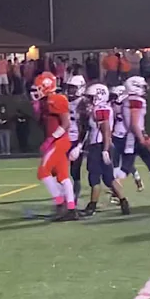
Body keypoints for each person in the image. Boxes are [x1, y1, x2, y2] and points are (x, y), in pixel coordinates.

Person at [74, 84, 130, 217]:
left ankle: (92, 206)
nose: (88, 100)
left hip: (99, 146)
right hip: (101, 145)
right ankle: (124, 202)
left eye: (91, 97)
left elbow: (105, 130)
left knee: (94, 177)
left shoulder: (100, 109)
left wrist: (105, 149)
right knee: (108, 178)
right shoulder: (101, 108)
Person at [31, 72, 78, 221]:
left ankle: (60, 203)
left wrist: (51, 139)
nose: (36, 91)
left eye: (39, 87)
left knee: (43, 172)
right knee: (63, 176)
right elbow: (42, 124)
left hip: (59, 141)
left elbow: (66, 124)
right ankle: (71, 208)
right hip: (55, 140)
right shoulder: (46, 101)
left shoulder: (57, 99)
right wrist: (36, 108)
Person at [109, 85, 144, 204]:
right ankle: (117, 191)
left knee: (126, 163)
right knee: (116, 163)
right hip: (116, 135)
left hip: (126, 136)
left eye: (114, 95)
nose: (112, 98)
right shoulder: (115, 105)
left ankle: (134, 179)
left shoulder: (127, 105)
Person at [62, 74, 87, 204]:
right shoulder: (64, 101)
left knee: (74, 172)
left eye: (73, 88)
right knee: (60, 171)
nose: (70, 90)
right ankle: (65, 198)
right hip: (64, 140)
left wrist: (80, 146)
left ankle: (74, 199)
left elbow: (86, 126)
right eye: (69, 88)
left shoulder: (83, 103)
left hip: (76, 140)